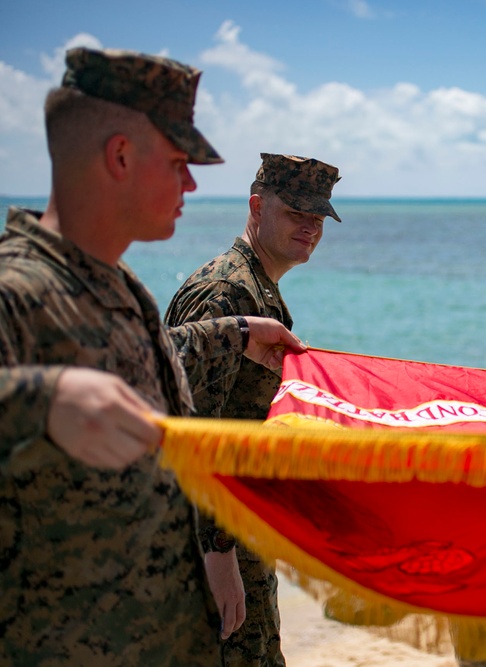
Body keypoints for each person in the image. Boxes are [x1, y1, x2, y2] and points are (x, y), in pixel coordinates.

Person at [0, 47, 305, 665]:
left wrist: (234, 332)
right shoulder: (19, 290)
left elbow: (149, 356)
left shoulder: (113, 285)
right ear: (119, 157)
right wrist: (43, 399)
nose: (191, 183)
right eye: (178, 162)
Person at [164, 152, 343, 666]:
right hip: (214, 542)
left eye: (319, 218)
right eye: (297, 213)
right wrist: (217, 554)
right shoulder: (227, 292)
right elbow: (192, 435)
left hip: (240, 532)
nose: (310, 227)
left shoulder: (259, 288)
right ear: (256, 206)